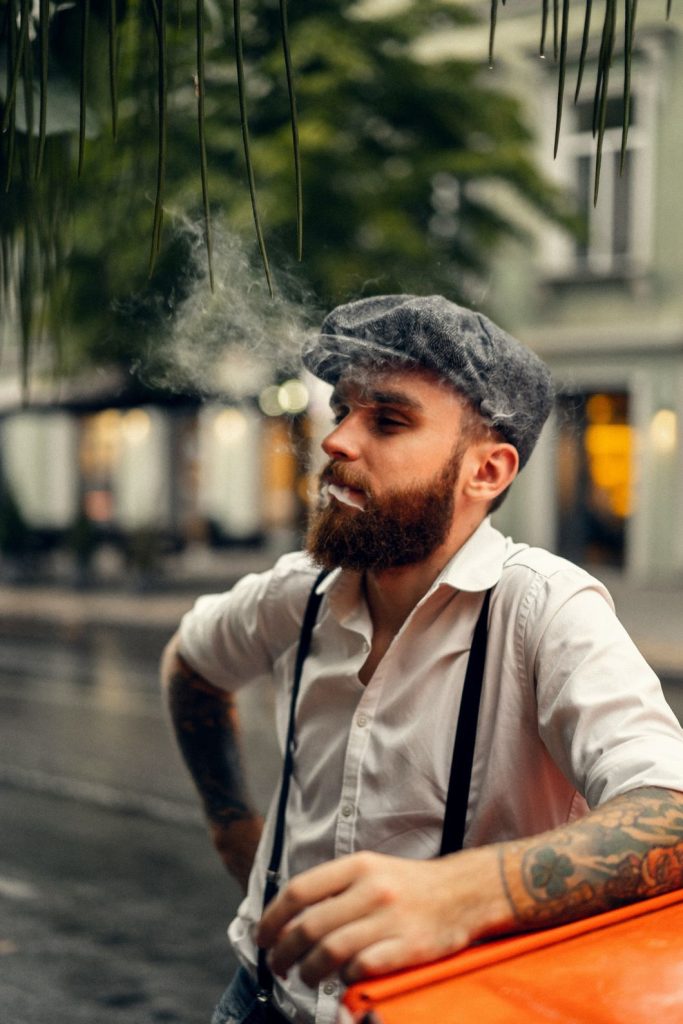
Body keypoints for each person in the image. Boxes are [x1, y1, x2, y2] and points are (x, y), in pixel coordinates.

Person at [161, 295, 683, 1024]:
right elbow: (191, 662)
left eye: (388, 420)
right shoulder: (298, 591)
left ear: (485, 471)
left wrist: (467, 891)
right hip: (257, 998)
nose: (337, 440)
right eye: (342, 410)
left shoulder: (542, 609)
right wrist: (228, 821)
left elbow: (670, 810)